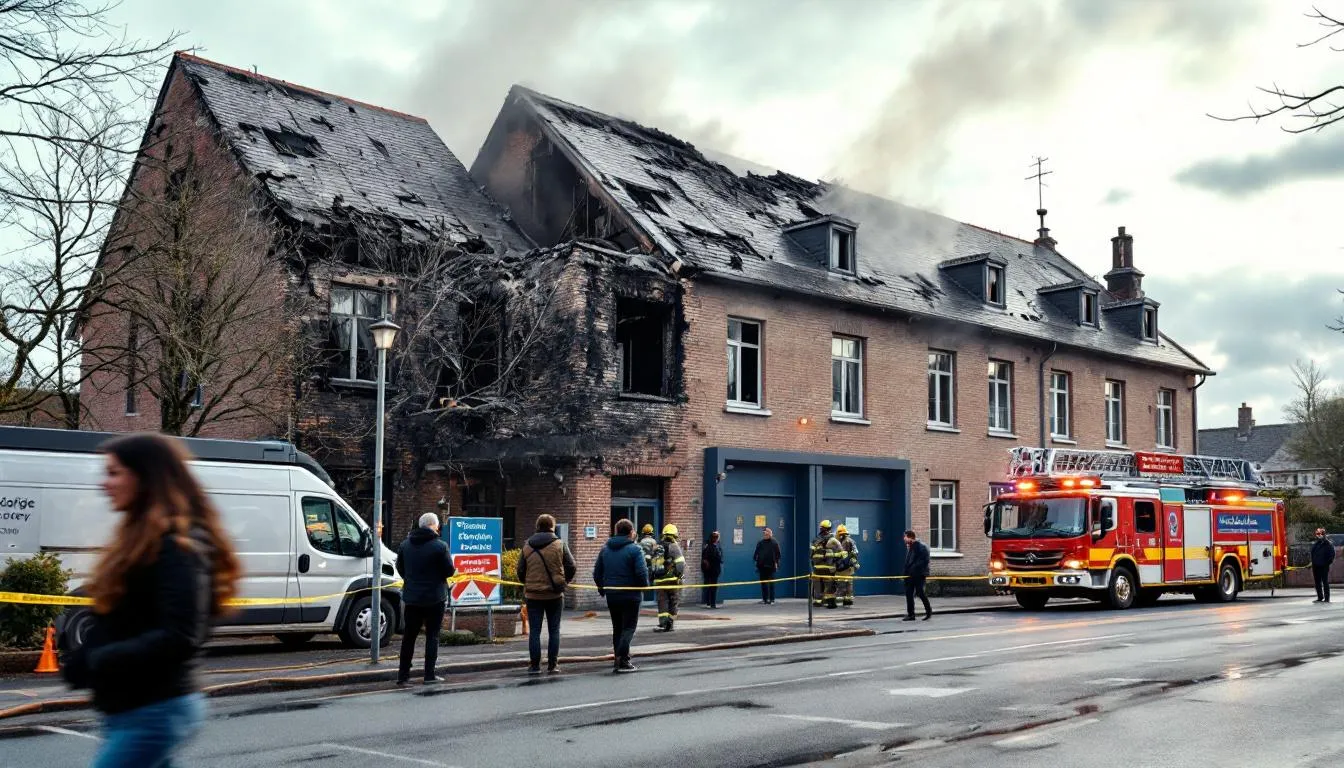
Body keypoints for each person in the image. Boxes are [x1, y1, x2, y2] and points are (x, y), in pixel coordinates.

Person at [61, 433, 241, 768]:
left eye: (114, 473)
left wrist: (101, 659)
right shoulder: (140, 539)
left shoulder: (178, 545)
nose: (104, 483)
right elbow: (122, 620)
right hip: (131, 710)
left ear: (145, 477)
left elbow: (182, 634)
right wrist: (82, 660)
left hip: (157, 710)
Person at [395, 512, 455, 685]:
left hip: (412, 597)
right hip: (435, 597)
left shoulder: (405, 545)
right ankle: (429, 675)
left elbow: (400, 568)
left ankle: (403, 675)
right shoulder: (440, 546)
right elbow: (449, 571)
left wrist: (412, 580)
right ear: (434, 526)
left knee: (409, 636)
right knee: (432, 636)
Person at [516, 514, 577, 673]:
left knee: (534, 632)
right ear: (552, 526)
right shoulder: (559, 544)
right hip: (554, 595)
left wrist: (528, 583)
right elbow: (571, 566)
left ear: (537, 526)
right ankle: (553, 665)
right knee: (554, 630)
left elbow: (520, 570)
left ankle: (535, 665)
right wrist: (564, 582)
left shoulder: (527, 546)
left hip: (533, 595)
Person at [593, 518, 649, 672]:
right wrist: (643, 587)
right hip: (631, 595)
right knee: (629, 627)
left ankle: (618, 658)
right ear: (631, 532)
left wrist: (602, 589)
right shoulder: (635, 549)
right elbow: (641, 572)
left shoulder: (605, 549)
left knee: (617, 627)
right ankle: (622, 658)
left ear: (616, 531)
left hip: (612, 595)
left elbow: (597, 572)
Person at [651, 524, 686, 631]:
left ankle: (662, 623)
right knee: (673, 601)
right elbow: (680, 564)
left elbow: (652, 563)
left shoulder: (657, 546)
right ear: (674, 534)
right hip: (672, 580)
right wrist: (679, 575)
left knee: (662, 602)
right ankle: (670, 624)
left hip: (659, 580)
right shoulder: (674, 546)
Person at [810, 520, 842, 609]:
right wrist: (836, 560)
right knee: (830, 585)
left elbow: (810, 553)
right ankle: (830, 603)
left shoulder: (815, 540)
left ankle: (817, 602)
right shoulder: (833, 540)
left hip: (817, 568)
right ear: (829, 529)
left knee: (817, 585)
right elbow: (842, 553)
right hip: (829, 568)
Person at [903, 529, 932, 621]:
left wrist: (914, 569)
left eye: (905, 536)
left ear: (910, 537)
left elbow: (924, 561)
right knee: (909, 593)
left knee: (920, 593)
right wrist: (905, 573)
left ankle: (928, 611)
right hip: (910, 575)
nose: (904, 538)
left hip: (919, 574)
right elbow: (908, 562)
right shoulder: (910, 547)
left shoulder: (921, 547)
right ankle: (911, 614)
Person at [834, 524, 860, 607]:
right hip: (848, 567)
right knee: (848, 583)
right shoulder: (851, 541)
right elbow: (856, 553)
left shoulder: (840, 542)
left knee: (841, 583)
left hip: (842, 567)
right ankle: (848, 600)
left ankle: (840, 600)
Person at [754, 528, 781, 604]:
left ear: (770, 534)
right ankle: (765, 599)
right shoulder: (760, 543)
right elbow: (756, 553)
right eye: (764, 534)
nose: (765, 535)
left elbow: (778, 554)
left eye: (766, 534)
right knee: (763, 583)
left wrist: (776, 563)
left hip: (771, 566)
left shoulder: (774, 543)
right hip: (762, 566)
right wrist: (756, 562)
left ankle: (772, 600)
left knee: (771, 583)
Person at [1311, 527, 1335, 603]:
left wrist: (1326, 563)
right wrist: (1313, 562)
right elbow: (1312, 553)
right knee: (1317, 582)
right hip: (1316, 566)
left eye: (1319, 533)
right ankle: (1320, 597)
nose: (1318, 535)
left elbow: (1332, 555)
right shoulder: (1316, 543)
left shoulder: (1328, 544)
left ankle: (1327, 598)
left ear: (1323, 534)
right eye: (1317, 534)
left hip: (1324, 566)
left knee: (1325, 582)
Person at [701, 531, 723, 608]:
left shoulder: (706, 545)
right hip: (713, 570)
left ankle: (708, 602)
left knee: (707, 586)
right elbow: (718, 558)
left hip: (707, 571)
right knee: (713, 587)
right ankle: (712, 604)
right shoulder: (714, 547)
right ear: (716, 539)